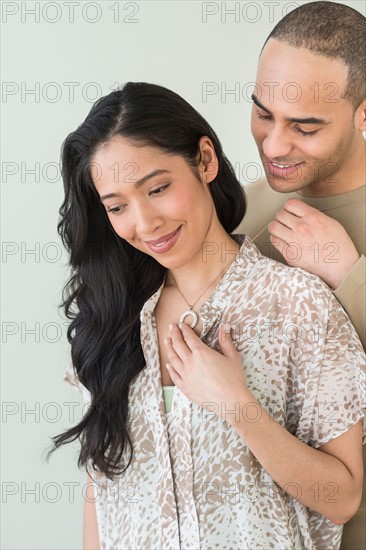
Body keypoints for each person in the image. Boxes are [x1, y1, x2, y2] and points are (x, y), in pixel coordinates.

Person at [50, 82, 365, 550]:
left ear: (206, 161)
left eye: (157, 188)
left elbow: (341, 498)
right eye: (117, 206)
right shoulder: (110, 322)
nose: (144, 222)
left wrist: (238, 406)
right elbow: (103, 488)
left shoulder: (297, 302)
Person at [234, 3, 366, 548]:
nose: (273, 145)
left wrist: (349, 277)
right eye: (264, 113)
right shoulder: (233, 215)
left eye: (305, 127)